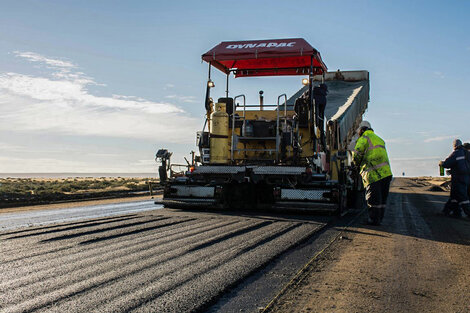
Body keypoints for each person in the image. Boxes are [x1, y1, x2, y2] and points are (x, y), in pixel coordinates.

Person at [352, 121, 393, 225]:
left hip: (374, 174)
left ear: (361, 130)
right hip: (386, 173)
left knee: (373, 199)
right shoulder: (379, 139)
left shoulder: (364, 139)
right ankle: (378, 219)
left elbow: (356, 154)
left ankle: (373, 220)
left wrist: (356, 164)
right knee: (382, 199)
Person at [440, 139, 470, 217]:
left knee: (462, 196)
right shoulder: (466, 153)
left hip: (458, 178)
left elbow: (447, 163)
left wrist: (442, 164)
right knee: (454, 196)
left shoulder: (456, 153)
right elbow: (463, 165)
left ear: (454, 145)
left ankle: (468, 213)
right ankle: (453, 212)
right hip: (467, 178)